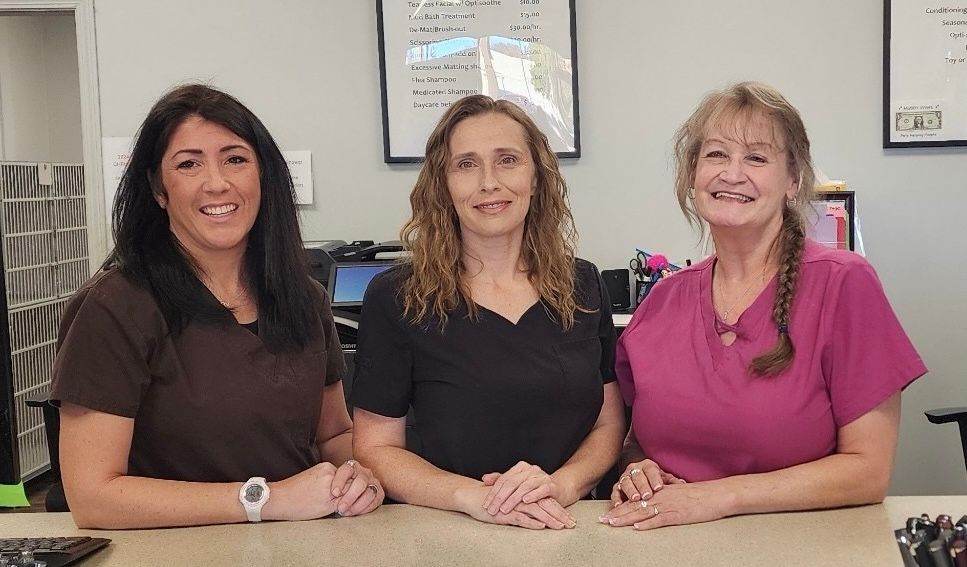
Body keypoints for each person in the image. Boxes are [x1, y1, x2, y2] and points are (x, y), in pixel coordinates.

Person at [51, 84, 384, 529]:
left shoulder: (304, 298)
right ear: (158, 188)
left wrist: (360, 475)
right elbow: (93, 497)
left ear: (263, 174)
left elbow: (333, 435)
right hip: (174, 563)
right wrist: (265, 500)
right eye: (188, 164)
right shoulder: (115, 306)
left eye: (235, 159)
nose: (216, 182)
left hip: (302, 552)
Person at [602, 81, 926, 530]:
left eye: (756, 157)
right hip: (667, 548)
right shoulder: (663, 300)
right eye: (716, 154)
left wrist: (716, 498)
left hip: (800, 551)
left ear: (793, 180)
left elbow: (867, 471)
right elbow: (638, 440)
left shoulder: (844, 284)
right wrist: (635, 469)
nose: (732, 173)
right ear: (691, 173)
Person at [352, 95, 624, 530]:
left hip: (570, 525)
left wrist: (562, 486)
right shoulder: (398, 297)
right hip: (451, 529)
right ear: (443, 184)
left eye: (508, 160)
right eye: (466, 164)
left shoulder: (583, 284)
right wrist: (475, 498)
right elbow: (376, 448)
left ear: (536, 177)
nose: (489, 182)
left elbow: (609, 422)